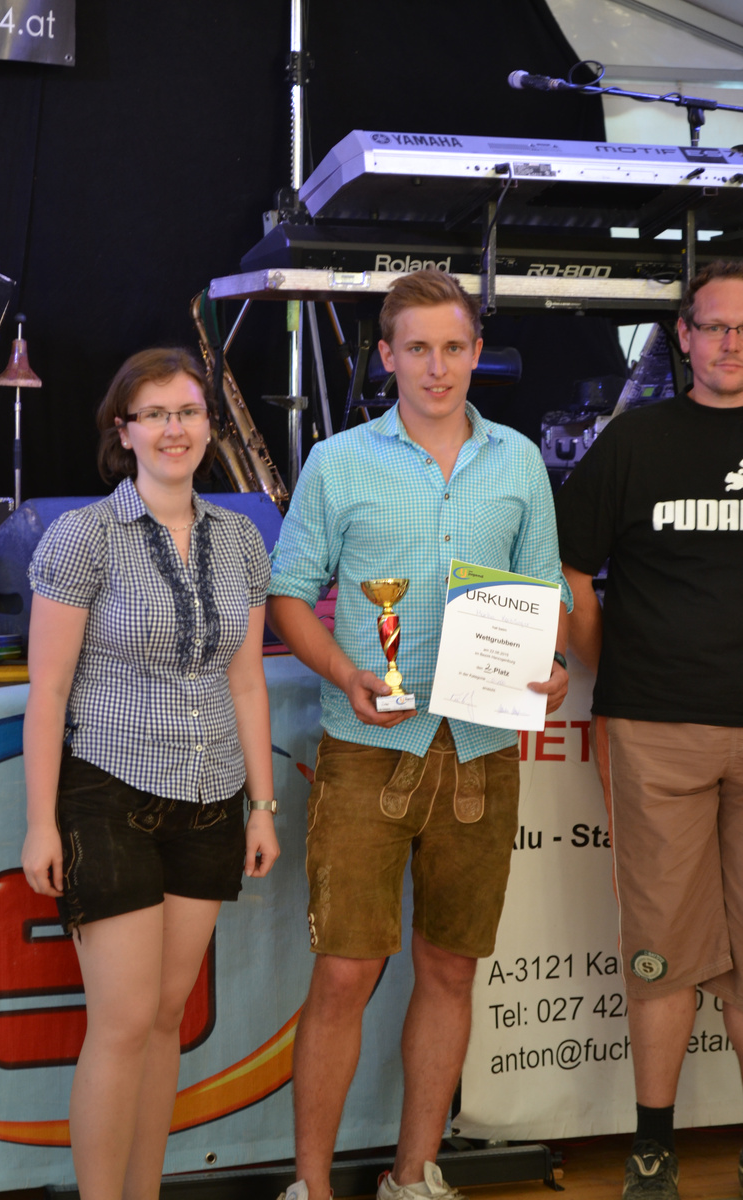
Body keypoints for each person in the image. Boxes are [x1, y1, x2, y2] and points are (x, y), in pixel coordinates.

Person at [266, 269, 570, 1200]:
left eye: (453, 347)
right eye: (417, 349)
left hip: (482, 750)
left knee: (450, 969)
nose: (436, 367)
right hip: (369, 750)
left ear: (477, 354)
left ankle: (414, 1175)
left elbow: (544, 593)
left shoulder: (519, 461)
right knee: (346, 972)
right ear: (388, 357)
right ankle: (311, 1188)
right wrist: (345, 672)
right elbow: (288, 595)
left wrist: (551, 664)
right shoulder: (338, 462)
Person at [21, 347, 279, 1200]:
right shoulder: (84, 535)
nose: (175, 429)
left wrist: (262, 806)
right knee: (124, 1022)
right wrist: (40, 822)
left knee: (167, 1017)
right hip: (108, 794)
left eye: (189, 412)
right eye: (156, 414)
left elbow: (247, 681)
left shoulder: (240, 538)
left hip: (211, 798)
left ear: (209, 426)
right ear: (123, 431)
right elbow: (49, 690)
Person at [555, 259, 743, 1200]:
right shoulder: (635, 441)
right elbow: (569, 569)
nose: (731, 343)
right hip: (655, 726)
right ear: (683, 336)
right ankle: (654, 1151)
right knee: (660, 949)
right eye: (715, 326)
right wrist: (607, 662)